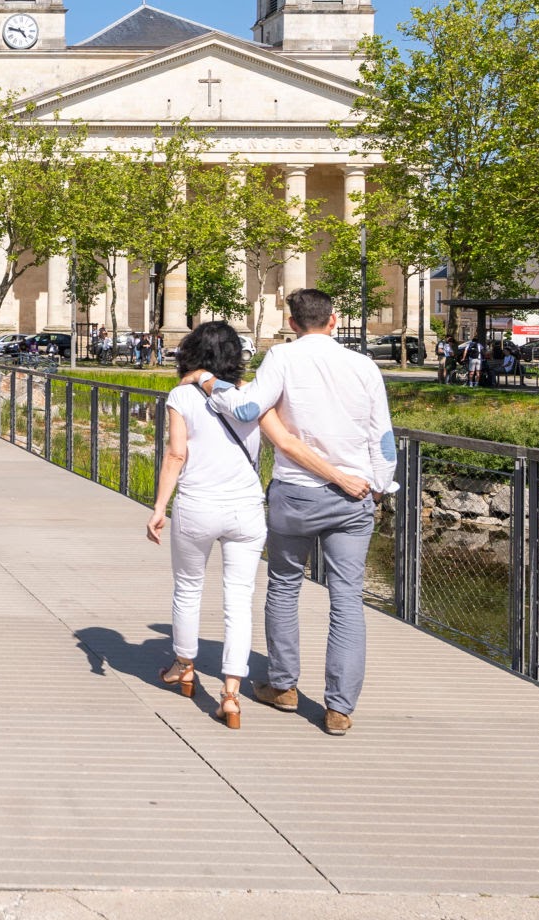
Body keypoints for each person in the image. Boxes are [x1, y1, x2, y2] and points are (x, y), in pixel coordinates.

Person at [196, 288, 396, 736]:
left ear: (291, 322)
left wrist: (209, 381)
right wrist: (379, 488)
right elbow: (382, 437)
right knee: (347, 598)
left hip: (297, 494)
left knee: (285, 587)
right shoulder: (364, 366)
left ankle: (283, 686)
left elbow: (247, 408)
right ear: (333, 320)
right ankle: (340, 707)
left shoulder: (283, 360)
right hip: (354, 495)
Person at [146, 322, 266, 730]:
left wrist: (160, 505)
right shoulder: (251, 395)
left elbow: (176, 454)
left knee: (188, 587)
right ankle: (231, 693)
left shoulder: (182, 394)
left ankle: (184, 666)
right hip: (247, 508)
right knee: (239, 599)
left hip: (198, 504)